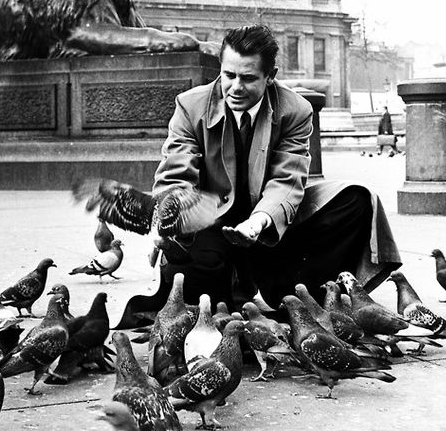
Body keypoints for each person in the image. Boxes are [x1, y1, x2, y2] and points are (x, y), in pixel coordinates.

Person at [117, 25, 402, 325]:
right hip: (209, 228)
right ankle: (229, 288)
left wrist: (259, 222)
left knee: (357, 200)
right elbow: (176, 174)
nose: (235, 87)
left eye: (248, 78)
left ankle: (286, 289)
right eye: (228, 75)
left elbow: (288, 180)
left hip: (268, 233)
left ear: (271, 76)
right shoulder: (189, 106)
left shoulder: (296, 110)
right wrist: (167, 219)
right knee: (199, 285)